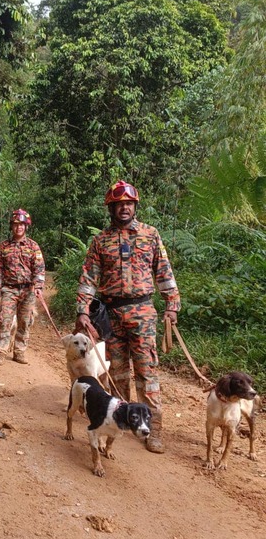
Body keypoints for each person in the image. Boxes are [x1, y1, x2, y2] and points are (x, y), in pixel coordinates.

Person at [75, 180, 180, 454]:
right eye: (119, 204)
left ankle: (153, 429)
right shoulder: (100, 241)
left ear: (135, 206)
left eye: (128, 204)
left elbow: (164, 272)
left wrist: (172, 304)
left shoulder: (150, 234)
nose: (124, 208)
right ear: (111, 208)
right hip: (111, 315)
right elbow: (89, 278)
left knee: (147, 372)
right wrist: (83, 310)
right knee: (118, 373)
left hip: (143, 313)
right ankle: (126, 418)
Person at [0, 209, 45, 366]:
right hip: (9, 289)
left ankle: (19, 352)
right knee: (5, 320)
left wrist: (38, 285)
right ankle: (1, 352)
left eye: (21, 225)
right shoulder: (3, 246)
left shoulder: (33, 246)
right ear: (12, 227)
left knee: (24, 321)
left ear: (26, 227)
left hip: (28, 290)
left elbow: (39, 267)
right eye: (15, 225)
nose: (18, 228)